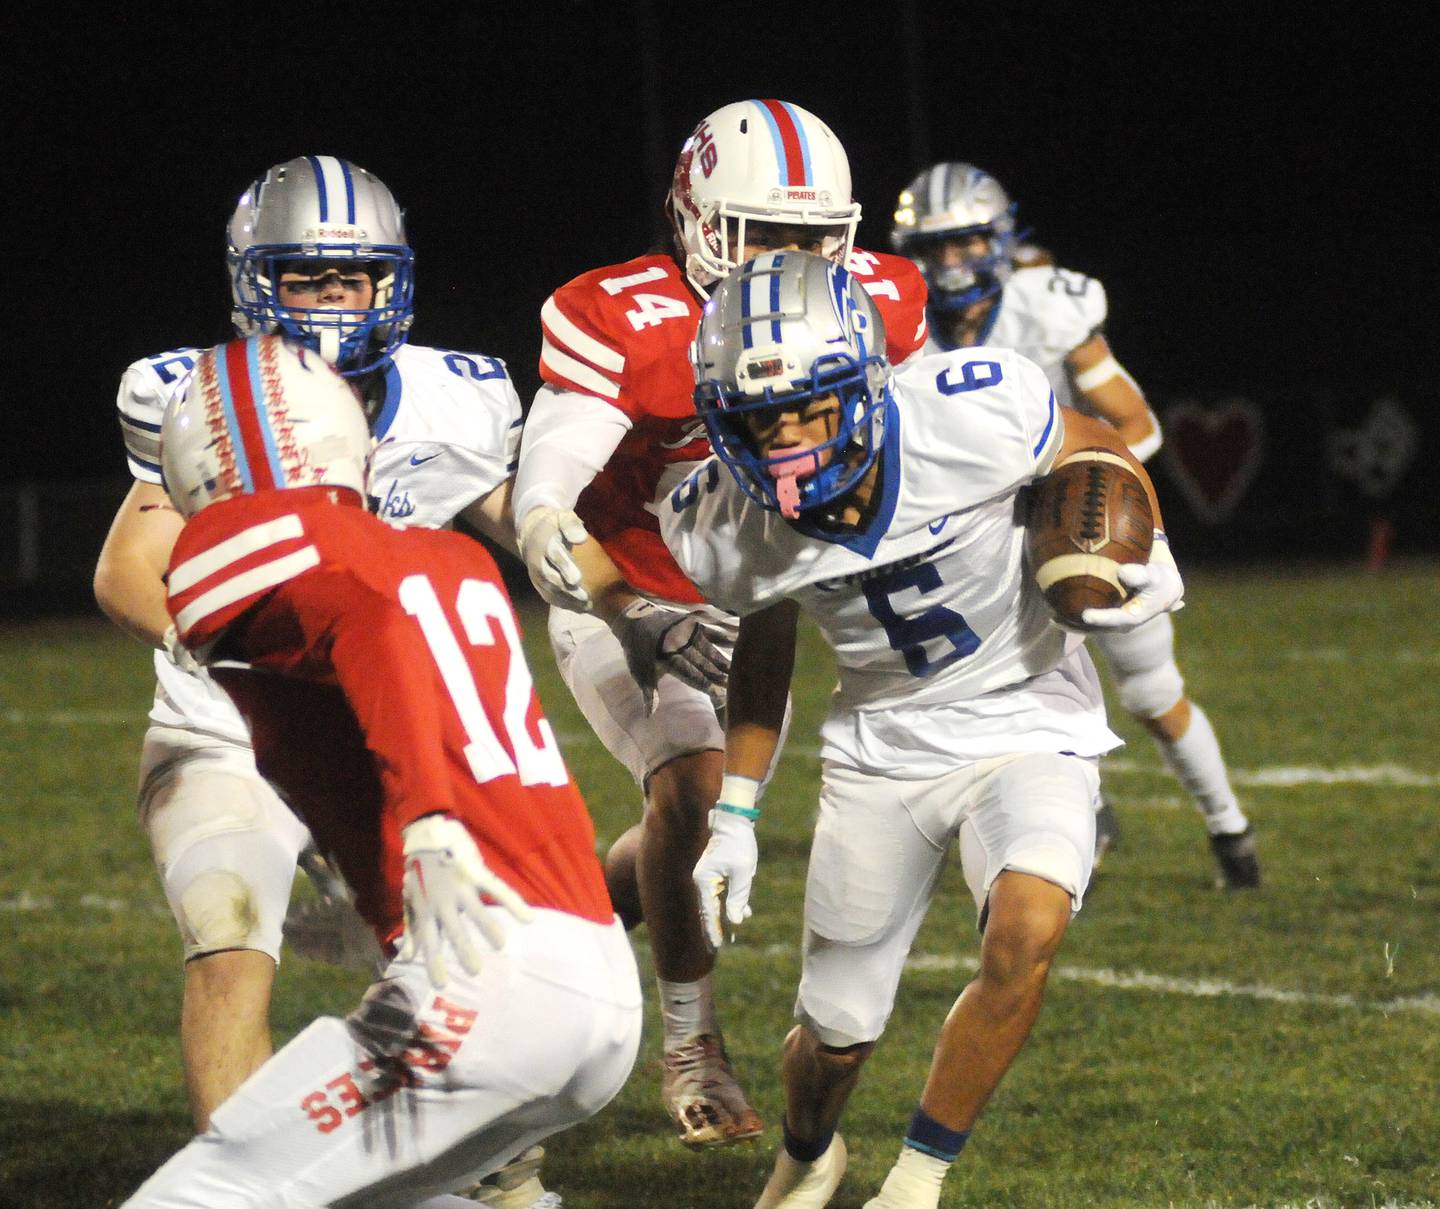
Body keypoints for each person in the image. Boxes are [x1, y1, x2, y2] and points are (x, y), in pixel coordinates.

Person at [660, 251, 1184, 1208]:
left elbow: (1094, 441)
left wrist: (1145, 551)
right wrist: (736, 808)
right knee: (835, 1035)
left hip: (1030, 707)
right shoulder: (728, 522)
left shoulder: (968, 406)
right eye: (756, 416)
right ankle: (810, 1149)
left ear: (865, 378)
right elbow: (764, 648)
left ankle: (918, 1177)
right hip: (883, 746)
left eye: (808, 405)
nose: (784, 438)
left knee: (1028, 925)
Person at [94, 156, 559, 1207]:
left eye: (355, 279)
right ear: (256, 282)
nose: (336, 302)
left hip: (384, 733)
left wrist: (610, 570)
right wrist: (231, 651)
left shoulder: (458, 396)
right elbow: (124, 569)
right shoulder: (198, 395)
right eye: (308, 278)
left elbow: (526, 528)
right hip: (229, 729)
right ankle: (245, 1191)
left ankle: (482, 1159)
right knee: (227, 939)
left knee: (464, 962)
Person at [119, 333, 641, 1209]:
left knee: (212, 1189)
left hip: (485, 990)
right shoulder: (451, 556)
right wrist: (377, 889)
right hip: (593, 993)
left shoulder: (238, 538)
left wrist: (429, 819)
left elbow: (372, 627)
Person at [512, 98, 929, 1147]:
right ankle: (693, 1042)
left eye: (812, 238)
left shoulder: (879, 297)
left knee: (681, 825)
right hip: (621, 591)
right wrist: (630, 607)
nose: (790, 260)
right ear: (697, 220)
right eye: (764, 236)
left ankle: (539, 930)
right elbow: (543, 509)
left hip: (758, 603)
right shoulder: (624, 318)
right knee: (694, 788)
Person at [890, 162, 1260, 888]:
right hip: (987, 546)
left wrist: (1071, 477)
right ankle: (1069, 821)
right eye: (933, 247)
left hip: (1081, 514)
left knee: (1153, 694)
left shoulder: (1046, 307)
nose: (950, 262)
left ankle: (1231, 832)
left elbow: (1137, 423)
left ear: (999, 240)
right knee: (999, 702)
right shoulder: (898, 329)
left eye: (965, 242)